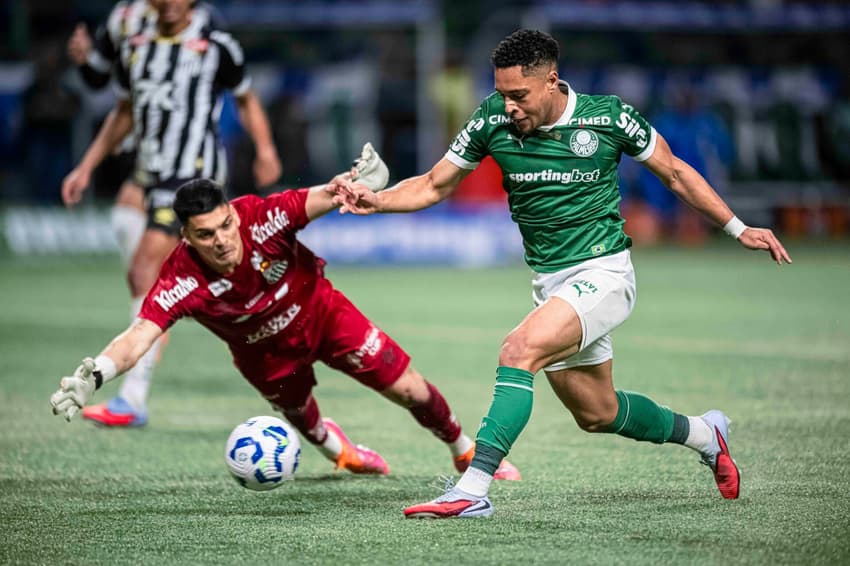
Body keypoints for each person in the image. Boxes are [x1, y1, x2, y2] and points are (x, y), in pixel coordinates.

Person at [331, 29, 792, 518]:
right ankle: (705, 433)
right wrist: (377, 200)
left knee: (518, 349)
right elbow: (432, 184)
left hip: (605, 273)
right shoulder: (491, 118)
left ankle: (472, 489)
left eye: (518, 95)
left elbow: (674, 172)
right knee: (598, 413)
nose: (507, 106)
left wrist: (737, 227)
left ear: (551, 81)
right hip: (551, 283)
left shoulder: (608, 116)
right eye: (502, 94)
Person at [49, 152, 520, 480]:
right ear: (188, 238)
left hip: (322, 314)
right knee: (311, 428)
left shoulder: (263, 217)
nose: (222, 239)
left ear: (234, 212)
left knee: (409, 388)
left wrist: (356, 182)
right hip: (265, 357)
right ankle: (342, 453)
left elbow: (325, 195)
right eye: (206, 234)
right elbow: (139, 335)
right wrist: (97, 373)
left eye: (226, 224)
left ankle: (464, 451)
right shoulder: (180, 279)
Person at [61, 0, 283, 428]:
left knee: (145, 272)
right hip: (148, 172)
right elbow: (122, 112)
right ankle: (200, 305)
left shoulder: (215, 44)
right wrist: (86, 166)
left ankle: (132, 398)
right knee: (149, 261)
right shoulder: (135, 44)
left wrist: (267, 149)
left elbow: (247, 99)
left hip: (190, 177)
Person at [66, 0, 227, 264]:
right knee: (127, 222)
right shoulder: (123, 16)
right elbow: (100, 77)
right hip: (143, 142)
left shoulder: (201, 17)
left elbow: (219, 78)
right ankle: (160, 293)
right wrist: (84, 61)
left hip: (189, 149)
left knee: (174, 248)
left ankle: (161, 291)